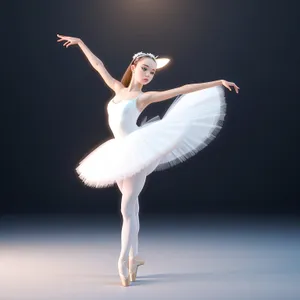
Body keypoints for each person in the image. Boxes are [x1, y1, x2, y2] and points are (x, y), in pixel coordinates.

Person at [57, 33, 239, 287]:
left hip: (138, 151)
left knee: (126, 209)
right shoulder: (118, 90)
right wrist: (81, 43)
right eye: (145, 69)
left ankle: (122, 261)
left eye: (152, 72)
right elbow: (98, 65)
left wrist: (217, 82)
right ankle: (135, 258)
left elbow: (183, 89)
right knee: (132, 209)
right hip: (119, 152)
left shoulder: (144, 97)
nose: (148, 74)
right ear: (133, 67)